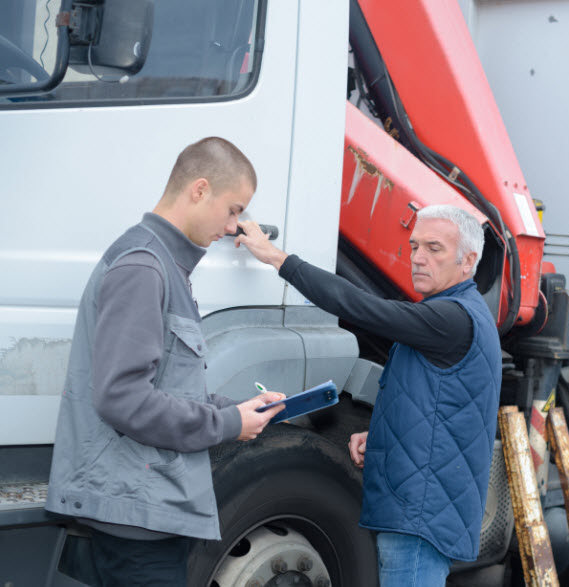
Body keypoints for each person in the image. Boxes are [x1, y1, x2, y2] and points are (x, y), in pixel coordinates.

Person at [45, 137, 285, 586]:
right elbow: (122, 398)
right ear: (199, 190)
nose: (236, 226)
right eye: (233, 209)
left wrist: (235, 409)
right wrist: (227, 425)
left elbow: (168, 388)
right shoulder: (145, 267)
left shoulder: (162, 264)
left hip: (143, 511)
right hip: (137, 522)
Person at [237, 204, 502, 586]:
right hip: (422, 507)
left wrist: (278, 259)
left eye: (434, 248)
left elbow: (362, 306)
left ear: (468, 260)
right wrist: (381, 437)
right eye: (414, 247)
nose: (418, 258)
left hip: (420, 514)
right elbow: (436, 402)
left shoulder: (453, 319)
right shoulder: (458, 314)